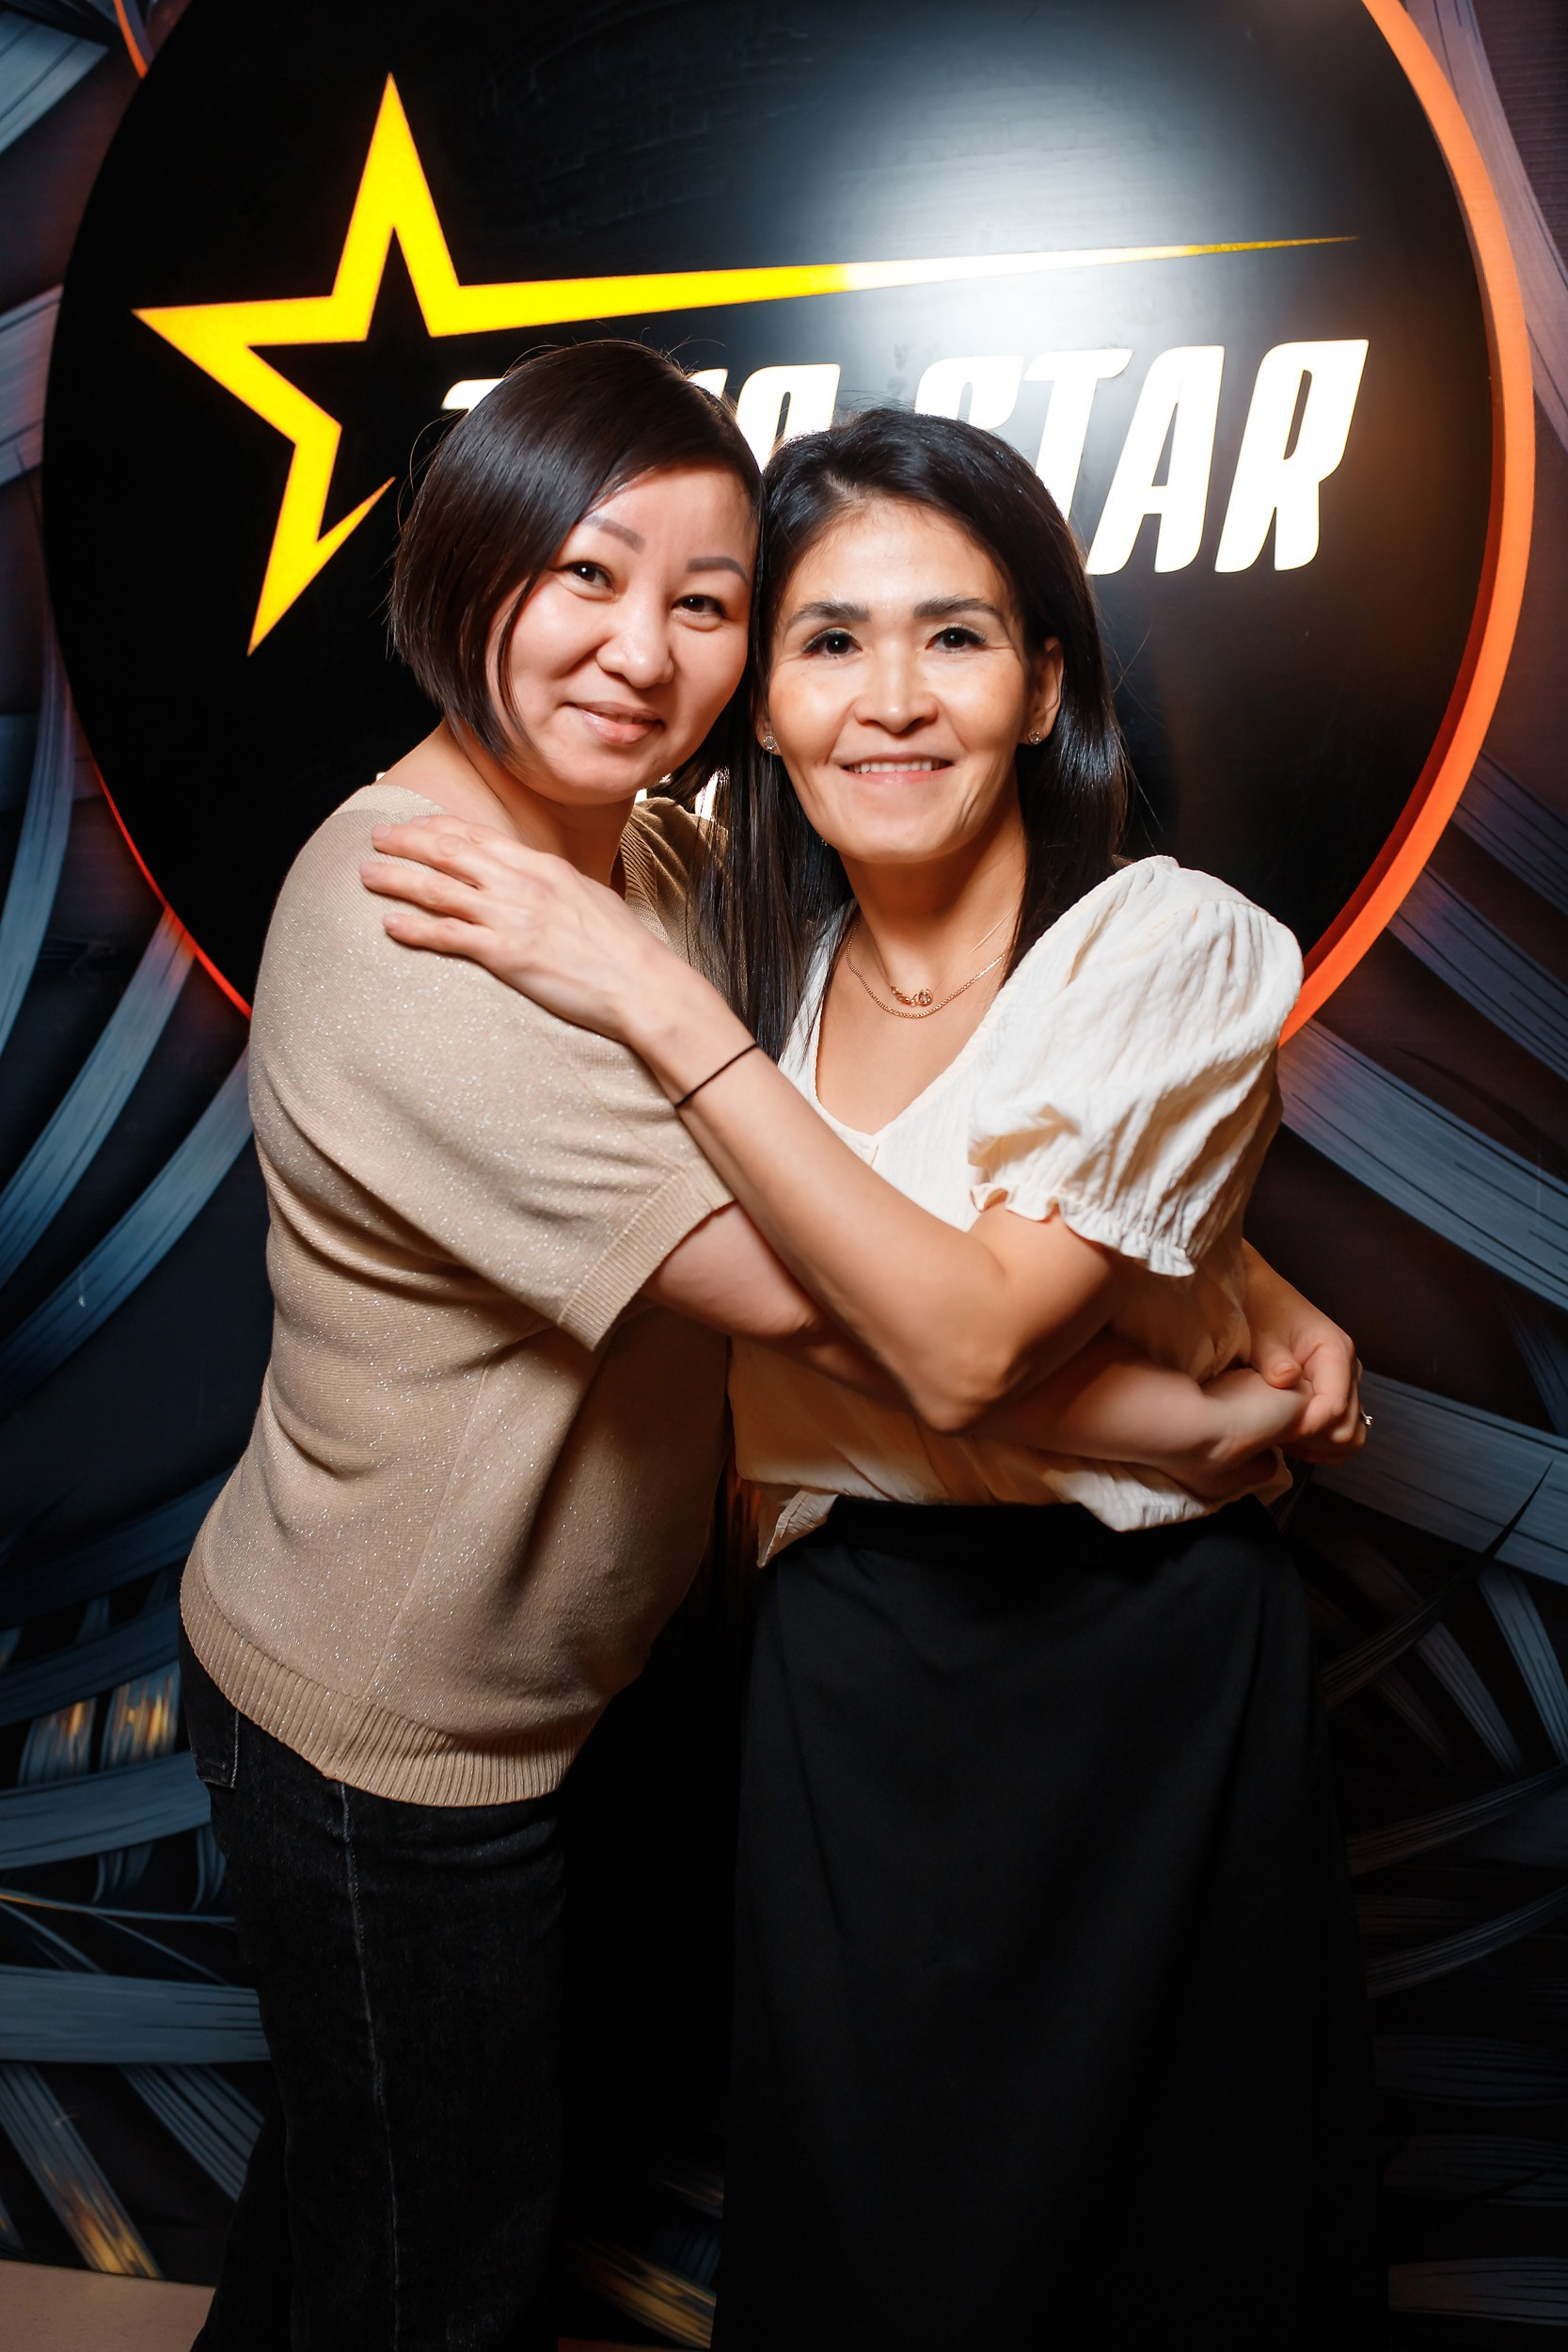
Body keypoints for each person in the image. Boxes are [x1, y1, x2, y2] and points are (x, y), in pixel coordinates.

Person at [363, 404, 1381, 2347]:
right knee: (877, 2235)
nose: (890, 700)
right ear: (761, 698)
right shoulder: (748, 939)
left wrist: (1223, 1267)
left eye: (957, 636)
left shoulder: (1160, 944)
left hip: (1141, 1663)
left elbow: (970, 1332)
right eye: (828, 639)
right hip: (850, 1664)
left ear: (1043, 685)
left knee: (1171, 2245)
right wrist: (1204, 1363)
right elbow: (924, 1264)